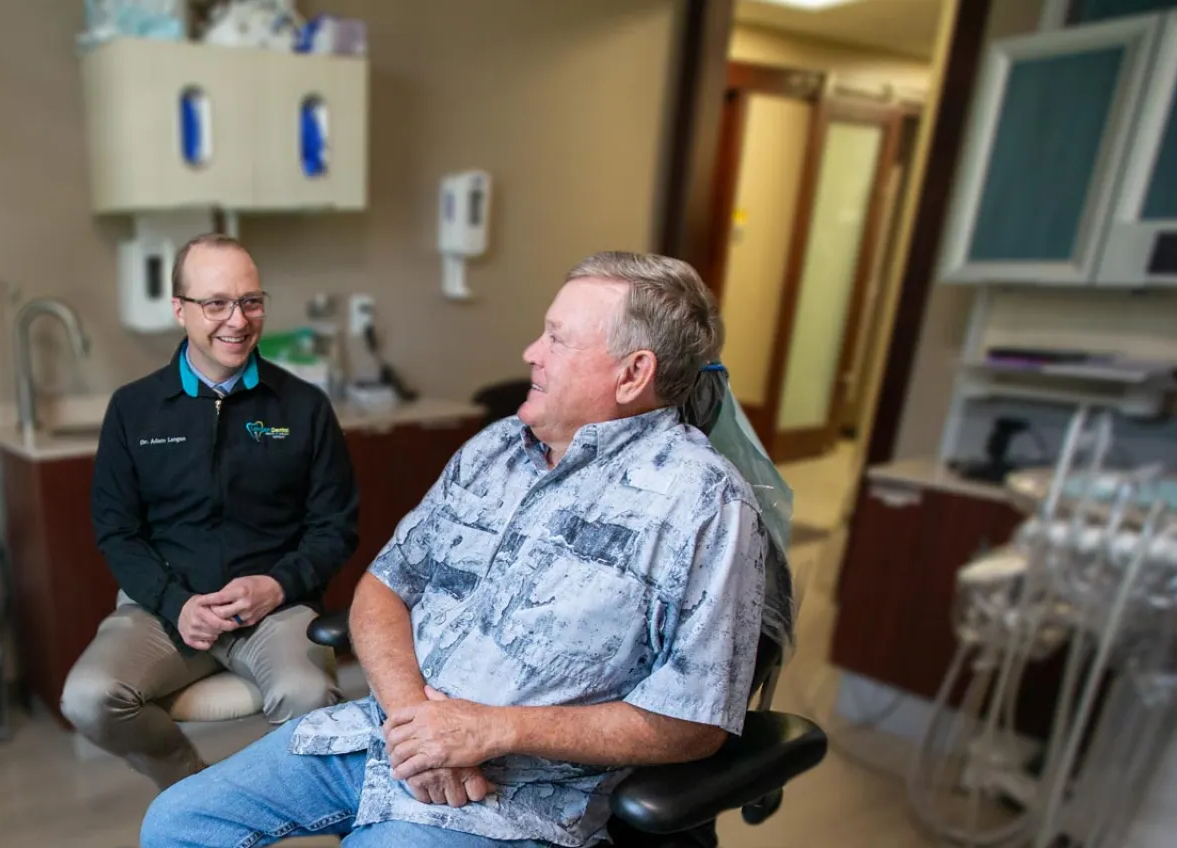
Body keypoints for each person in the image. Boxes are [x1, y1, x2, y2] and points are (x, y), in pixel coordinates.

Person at [141, 251, 793, 847]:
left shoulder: (702, 504)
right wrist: (417, 724)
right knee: (176, 823)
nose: (531, 352)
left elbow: (694, 724)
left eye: (557, 339)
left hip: (518, 795)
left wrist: (490, 730)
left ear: (633, 374)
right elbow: (384, 586)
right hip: (385, 736)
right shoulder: (498, 448)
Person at [64, 233, 358, 788]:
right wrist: (176, 604)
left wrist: (276, 585)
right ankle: (197, 792)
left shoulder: (303, 407)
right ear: (180, 309)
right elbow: (117, 531)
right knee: (89, 698)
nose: (237, 321)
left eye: (251, 301)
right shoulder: (134, 409)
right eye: (216, 303)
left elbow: (335, 527)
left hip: (274, 609)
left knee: (308, 697)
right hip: (164, 610)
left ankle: (276, 804)